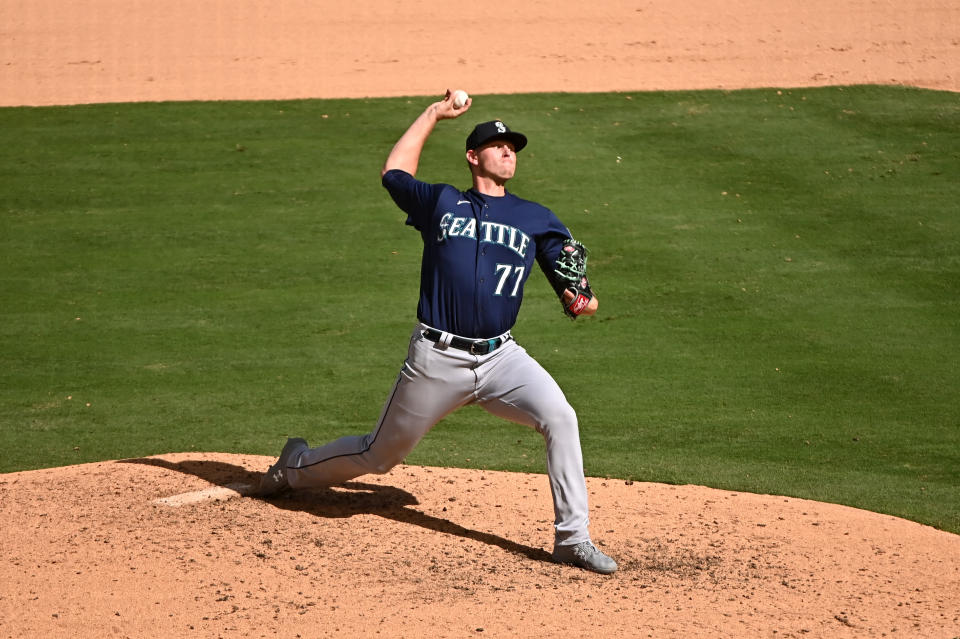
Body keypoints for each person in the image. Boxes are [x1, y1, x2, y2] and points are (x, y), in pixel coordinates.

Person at [257, 90, 617, 574]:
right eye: (498, 145)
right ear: (474, 156)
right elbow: (394, 174)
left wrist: (583, 297)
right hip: (437, 357)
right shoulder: (442, 201)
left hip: (502, 359)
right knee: (377, 456)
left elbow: (580, 298)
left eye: (513, 146)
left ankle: (572, 539)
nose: (509, 151)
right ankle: (293, 468)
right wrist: (433, 114)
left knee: (561, 417)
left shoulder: (537, 219)